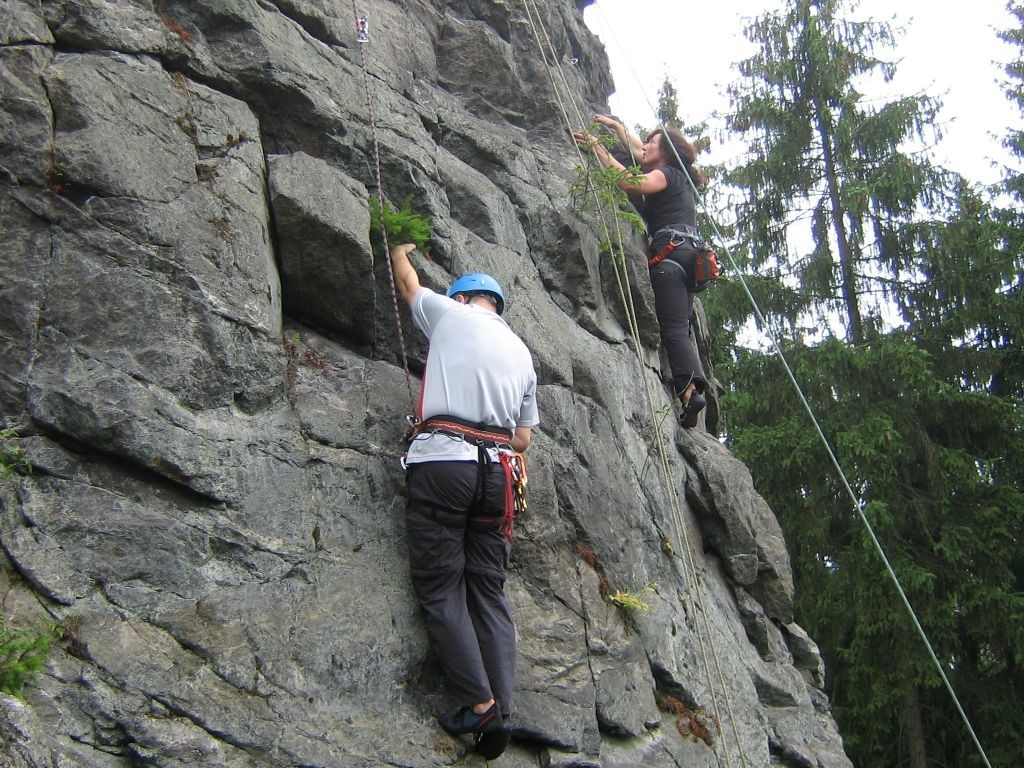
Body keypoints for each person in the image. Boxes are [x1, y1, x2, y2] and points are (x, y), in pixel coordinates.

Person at [389, 243, 539, 760]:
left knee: (440, 585)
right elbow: (523, 439)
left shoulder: (448, 314)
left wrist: (397, 248)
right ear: (496, 304)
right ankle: (506, 709)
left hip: (444, 462)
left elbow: (409, 285)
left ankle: (479, 706)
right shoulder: (522, 353)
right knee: (489, 592)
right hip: (498, 472)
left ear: (464, 296)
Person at [574, 115, 709, 427]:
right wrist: (619, 127)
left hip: (671, 255)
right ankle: (690, 390)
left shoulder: (667, 174)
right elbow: (638, 151)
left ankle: (690, 392)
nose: (646, 146)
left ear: (666, 151)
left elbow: (631, 182)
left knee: (673, 328)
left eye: (653, 142)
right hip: (690, 257)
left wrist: (598, 148)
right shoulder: (677, 177)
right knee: (682, 328)